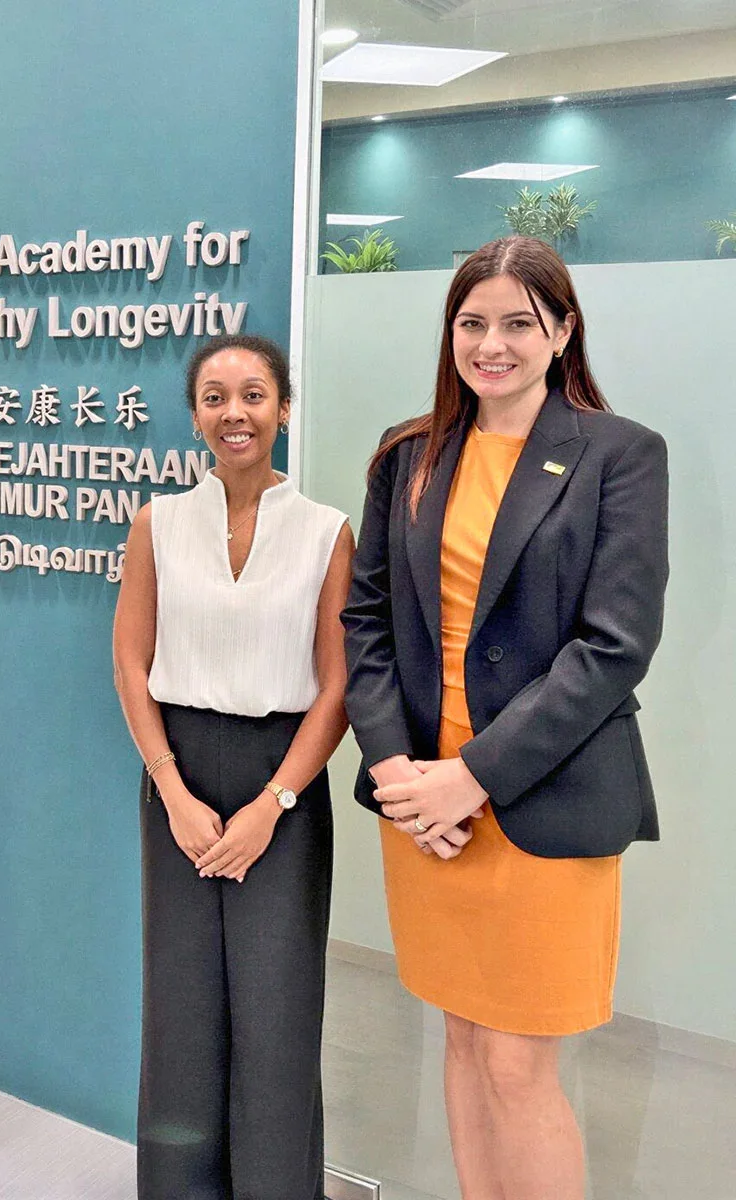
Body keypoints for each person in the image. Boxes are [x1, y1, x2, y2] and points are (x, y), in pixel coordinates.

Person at [342, 236, 669, 1199]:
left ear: (562, 332)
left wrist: (470, 776)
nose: (493, 344)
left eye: (518, 324)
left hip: (539, 799)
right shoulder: (410, 455)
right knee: (459, 1042)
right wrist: (399, 769)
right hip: (423, 809)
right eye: (472, 323)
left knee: (521, 1067)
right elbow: (366, 621)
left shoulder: (620, 456)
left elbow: (613, 647)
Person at [112, 334, 353, 1199]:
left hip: (281, 785)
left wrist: (274, 802)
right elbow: (130, 665)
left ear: (283, 409)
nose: (234, 413)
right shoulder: (159, 522)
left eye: (253, 395)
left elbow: (337, 690)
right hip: (177, 776)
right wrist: (171, 790)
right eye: (215, 397)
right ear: (195, 417)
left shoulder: (326, 532)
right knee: (180, 1005)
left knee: (277, 1010)